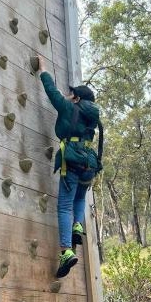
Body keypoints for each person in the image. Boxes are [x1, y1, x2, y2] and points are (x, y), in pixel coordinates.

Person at [37, 56, 101, 278]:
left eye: (70, 93)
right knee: (79, 197)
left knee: (64, 205)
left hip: (72, 162)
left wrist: (43, 69)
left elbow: (52, 92)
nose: (67, 94)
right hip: (89, 164)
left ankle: (66, 251)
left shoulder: (68, 107)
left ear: (76, 98)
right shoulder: (91, 119)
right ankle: (77, 226)